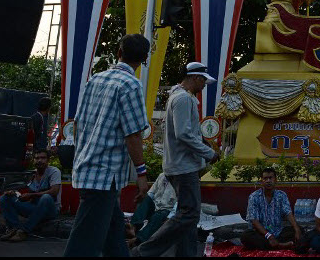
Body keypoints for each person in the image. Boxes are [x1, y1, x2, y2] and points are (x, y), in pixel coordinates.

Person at [63, 34, 151, 257]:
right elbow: (133, 134)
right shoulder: (131, 85)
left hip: (90, 169)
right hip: (104, 176)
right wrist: (141, 173)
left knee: (114, 239)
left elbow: (78, 123)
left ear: (119, 53)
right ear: (144, 59)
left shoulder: (96, 79)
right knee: (83, 247)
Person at [135, 62, 221, 257]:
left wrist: (203, 145)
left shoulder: (178, 96)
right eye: (203, 81)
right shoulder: (183, 99)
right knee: (188, 214)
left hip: (179, 165)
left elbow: (184, 133)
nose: (204, 85)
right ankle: (143, 251)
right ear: (195, 78)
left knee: (188, 216)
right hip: (184, 167)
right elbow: (184, 134)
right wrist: (209, 153)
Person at [0, 149, 61, 242]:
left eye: (43, 158)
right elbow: (20, 191)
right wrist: (13, 192)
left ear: (48, 160)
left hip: (50, 210)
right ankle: (14, 229)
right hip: (33, 208)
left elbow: (54, 191)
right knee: (5, 198)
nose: (39, 160)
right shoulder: (31, 174)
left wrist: (31, 195)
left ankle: (23, 231)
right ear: (34, 160)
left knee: (46, 197)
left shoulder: (54, 171)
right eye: (37, 158)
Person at [241, 167, 303, 250]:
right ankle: (280, 245)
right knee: (246, 236)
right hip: (262, 234)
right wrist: (269, 236)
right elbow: (254, 220)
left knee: (300, 230)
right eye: (265, 178)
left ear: (275, 180)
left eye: (271, 178)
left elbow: (288, 213)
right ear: (261, 181)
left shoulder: (282, 195)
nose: (268, 181)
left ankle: (274, 245)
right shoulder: (254, 197)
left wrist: (296, 229)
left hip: (278, 232)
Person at [128, 172, 178, 246]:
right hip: (156, 205)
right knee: (146, 200)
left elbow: (179, 203)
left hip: (167, 210)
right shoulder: (162, 175)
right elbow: (151, 193)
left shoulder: (180, 180)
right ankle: (133, 226)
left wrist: (170, 217)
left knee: (158, 216)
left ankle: (138, 239)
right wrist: (146, 201)